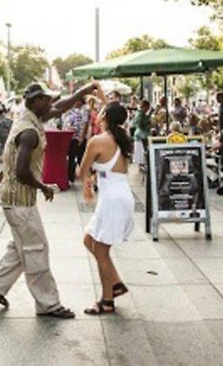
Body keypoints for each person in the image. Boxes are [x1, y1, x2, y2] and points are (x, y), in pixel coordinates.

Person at [0, 81, 99, 319]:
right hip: (19, 200)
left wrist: (82, 91)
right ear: (35, 101)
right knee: (36, 249)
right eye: (47, 99)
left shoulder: (31, 118)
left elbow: (60, 108)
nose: (51, 103)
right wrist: (43, 187)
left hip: (16, 198)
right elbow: (21, 170)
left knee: (21, 246)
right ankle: (48, 304)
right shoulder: (29, 132)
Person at [78, 99, 134, 315]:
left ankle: (107, 300)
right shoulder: (122, 139)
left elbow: (80, 172)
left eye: (101, 112)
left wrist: (87, 179)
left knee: (101, 250)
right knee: (88, 240)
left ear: (104, 117)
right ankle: (116, 283)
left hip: (111, 200)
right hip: (120, 195)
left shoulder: (97, 141)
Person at [64, 97, 89, 182]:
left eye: (76, 100)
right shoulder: (72, 110)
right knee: (71, 157)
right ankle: (70, 177)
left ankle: (86, 177)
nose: (74, 103)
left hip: (78, 138)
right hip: (70, 136)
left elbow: (85, 123)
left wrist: (81, 137)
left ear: (80, 101)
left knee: (80, 158)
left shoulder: (84, 109)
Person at [133, 100, 151, 166]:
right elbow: (140, 124)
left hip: (141, 135)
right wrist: (149, 123)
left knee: (141, 152)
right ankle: (142, 165)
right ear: (144, 106)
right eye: (147, 107)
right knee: (141, 152)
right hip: (141, 135)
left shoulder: (141, 113)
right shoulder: (140, 114)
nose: (148, 109)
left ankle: (142, 164)